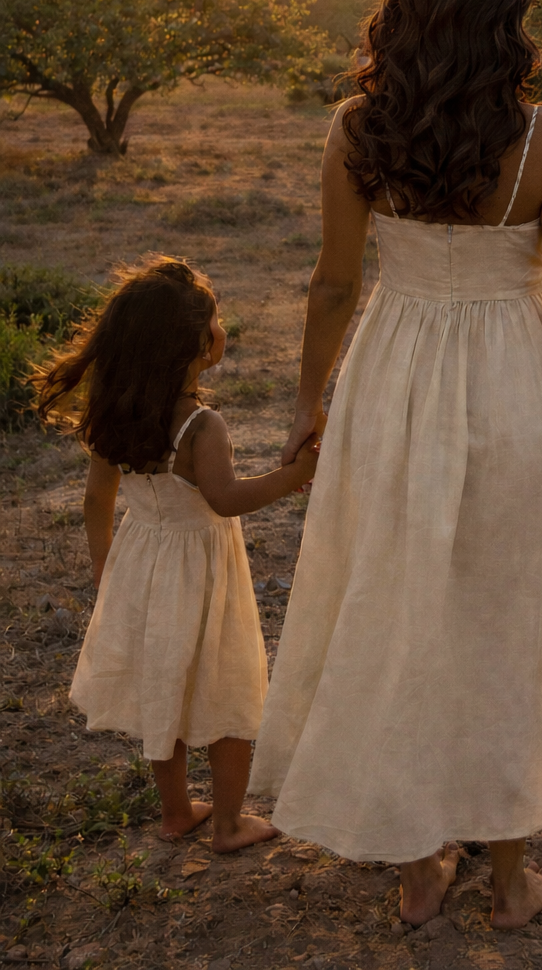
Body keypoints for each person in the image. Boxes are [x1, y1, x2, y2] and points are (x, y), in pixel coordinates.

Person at [249, 0, 542, 930]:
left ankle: (419, 863)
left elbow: (332, 284)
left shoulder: (357, 127)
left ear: (402, 3)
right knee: (505, 619)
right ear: (510, 8)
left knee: (402, 604)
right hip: (511, 377)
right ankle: (508, 881)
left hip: (395, 373)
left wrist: (306, 401)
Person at [36, 256, 320, 853]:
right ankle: (227, 822)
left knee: (161, 686)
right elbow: (224, 499)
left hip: (139, 564)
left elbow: (95, 500)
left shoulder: (115, 411)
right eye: (216, 319)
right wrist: (296, 473)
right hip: (202, 571)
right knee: (226, 688)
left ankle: (174, 812)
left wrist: (105, 569)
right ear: (196, 344)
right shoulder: (200, 425)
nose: (222, 327)